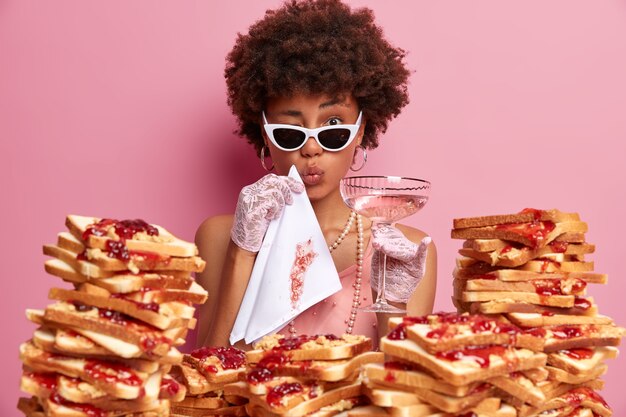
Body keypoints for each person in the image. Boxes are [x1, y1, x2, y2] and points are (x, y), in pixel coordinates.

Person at [196, 0, 437, 348]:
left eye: (333, 129)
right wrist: (243, 252)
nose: (311, 150)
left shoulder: (406, 250)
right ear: (266, 136)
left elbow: (406, 389)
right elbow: (205, 382)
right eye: (290, 133)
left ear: (360, 130)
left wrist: (394, 303)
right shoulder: (220, 237)